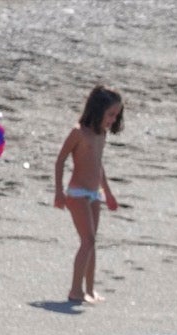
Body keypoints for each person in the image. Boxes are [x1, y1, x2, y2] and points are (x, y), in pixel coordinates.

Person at [53, 84, 124, 304]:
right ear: (98, 109)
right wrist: (58, 191)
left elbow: (98, 166)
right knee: (88, 240)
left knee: (92, 242)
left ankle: (90, 290)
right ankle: (75, 290)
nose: (113, 119)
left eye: (116, 115)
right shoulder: (78, 132)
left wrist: (108, 194)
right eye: (111, 114)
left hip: (94, 194)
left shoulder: (101, 133)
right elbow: (60, 160)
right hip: (77, 193)